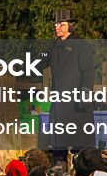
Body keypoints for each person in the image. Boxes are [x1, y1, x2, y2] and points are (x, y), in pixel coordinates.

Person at [36, 9, 95, 159]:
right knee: (58, 136)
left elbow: (88, 71)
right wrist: (19, 66)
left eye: (61, 24)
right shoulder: (54, 46)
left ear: (70, 25)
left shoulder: (81, 45)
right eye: (56, 24)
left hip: (76, 98)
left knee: (79, 136)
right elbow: (41, 62)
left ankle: (81, 165)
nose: (57, 27)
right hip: (59, 99)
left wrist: (85, 91)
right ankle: (59, 164)